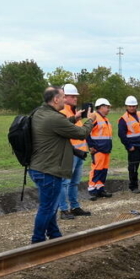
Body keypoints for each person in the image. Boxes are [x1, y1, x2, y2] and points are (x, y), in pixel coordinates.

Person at [29, 86, 94, 244]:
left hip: (38, 167)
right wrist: (91, 119)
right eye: (63, 97)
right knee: (47, 207)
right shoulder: (54, 118)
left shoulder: (39, 112)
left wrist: (75, 118)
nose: (65, 100)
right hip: (49, 170)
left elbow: (59, 125)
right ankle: (37, 241)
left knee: (51, 205)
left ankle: (54, 235)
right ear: (56, 99)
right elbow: (80, 133)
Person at [57, 84, 92, 220]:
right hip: (69, 153)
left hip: (79, 152)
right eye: (72, 96)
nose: (75, 98)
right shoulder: (62, 112)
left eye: (76, 96)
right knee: (65, 182)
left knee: (74, 182)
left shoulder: (73, 112)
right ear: (64, 97)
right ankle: (64, 210)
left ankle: (74, 207)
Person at [119, 95, 140, 193]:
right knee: (133, 168)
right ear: (126, 106)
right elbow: (121, 135)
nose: (132, 108)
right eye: (130, 106)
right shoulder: (123, 119)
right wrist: (129, 146)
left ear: (137, 106)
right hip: (134, 147)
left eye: (133, 106)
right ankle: (133, 187)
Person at [87, 98, 113, 199]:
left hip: (105, 149)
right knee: (96, 169)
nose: (108, 109)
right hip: (98, 149)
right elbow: (87, 132)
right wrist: (91, 146)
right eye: (107, 107)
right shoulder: (95, 117)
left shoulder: (105, 119)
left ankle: (100, 188)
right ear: (101, 107)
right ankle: (92, 189)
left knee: (103, 170)